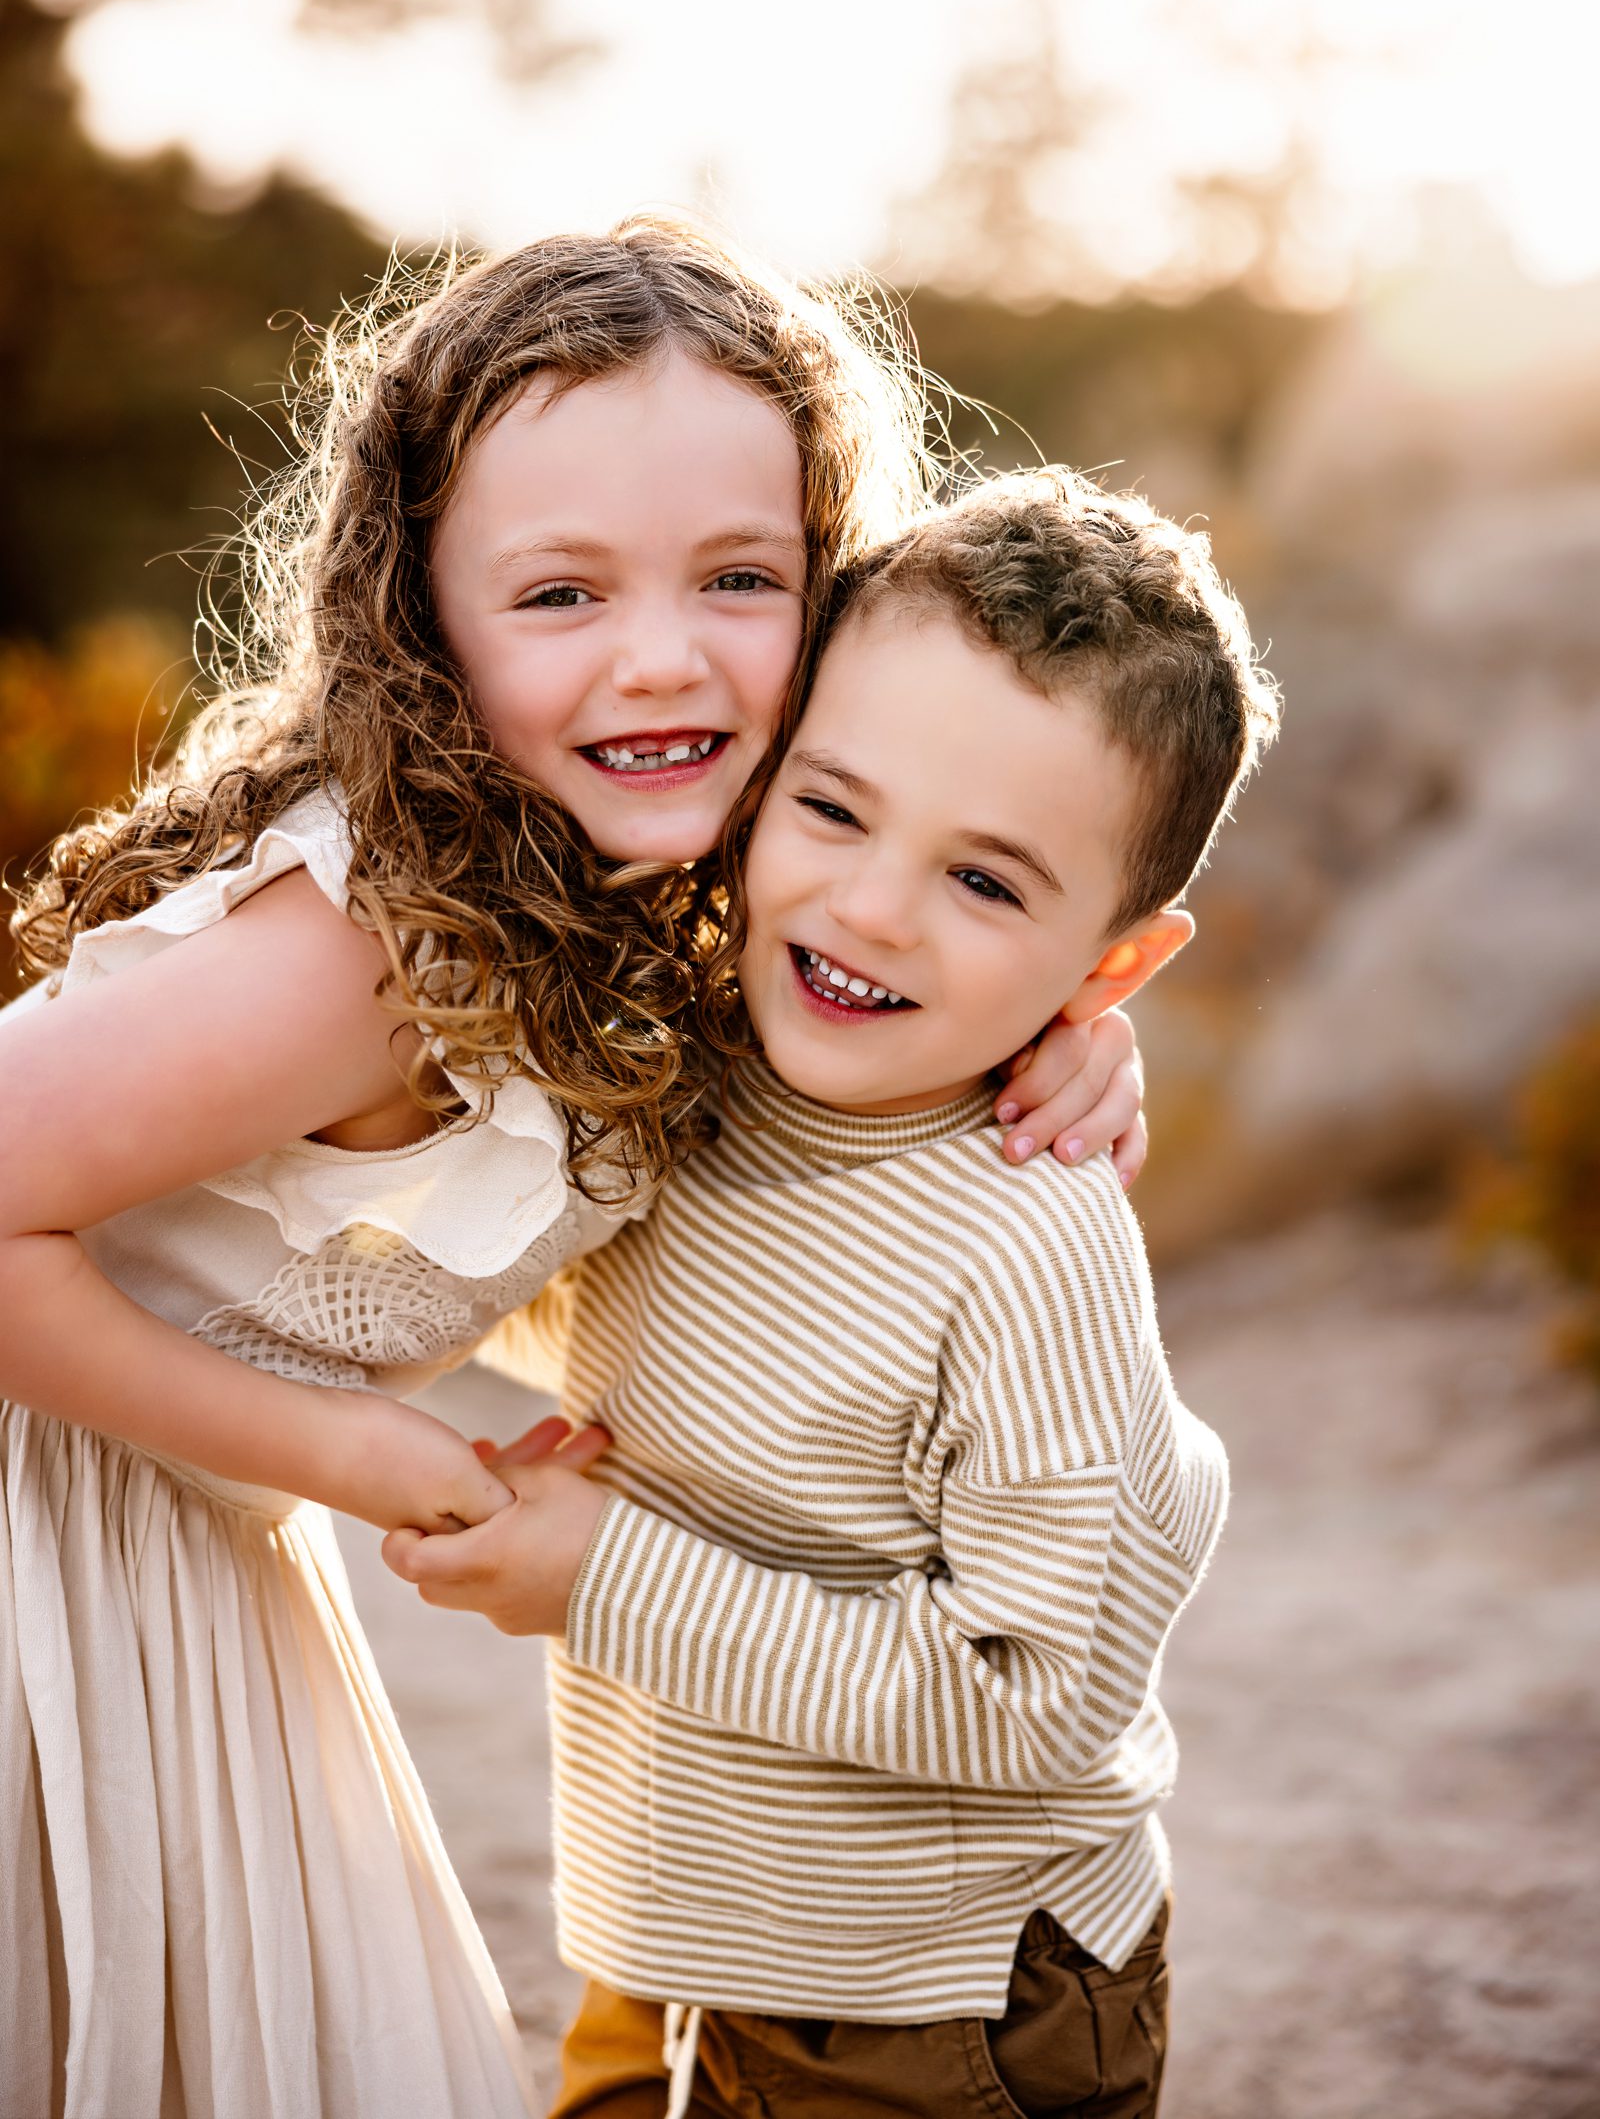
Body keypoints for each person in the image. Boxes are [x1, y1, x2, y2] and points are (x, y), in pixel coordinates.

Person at [0, 222, 1144, 2119]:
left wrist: (1056, 1022)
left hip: (170, 1562)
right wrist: (365, 1456)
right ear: (420, 615)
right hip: (53, 1557)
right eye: (558, 595)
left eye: (741, 578)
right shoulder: (363, 945)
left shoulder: (617, 890)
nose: (663, 657)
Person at [388, 467, 1281, 2118]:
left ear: (1114, 966)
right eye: (833, 808)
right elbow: (548, 1295)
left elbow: (1045, 1700)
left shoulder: (1028, 1242)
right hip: (673, 1932)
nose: (870, 907)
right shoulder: (675, 1066)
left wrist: (606, 1574)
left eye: (989, 883)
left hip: (936, 2002)